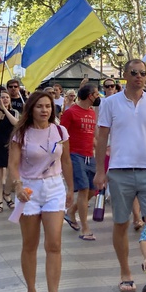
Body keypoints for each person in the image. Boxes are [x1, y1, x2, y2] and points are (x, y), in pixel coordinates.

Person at [94, 59, 146, 292]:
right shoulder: (110, 103)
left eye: (143, 73)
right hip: (119, 170)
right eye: (134, 72)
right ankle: (125, 272)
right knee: (121, 222)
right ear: (125, 75)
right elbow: (102, 137)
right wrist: (100, 171)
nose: (139, 76)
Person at [8, 91, 74, 292]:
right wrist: (18, 186)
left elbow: (66, 160)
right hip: (29, 189)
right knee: (30, 243)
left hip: (54, 188)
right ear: (31, 109)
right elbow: (13, 164)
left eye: (48, 106)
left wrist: (71, 188)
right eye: (39, 106)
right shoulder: (21, 133)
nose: (44, 110)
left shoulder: (60, 131)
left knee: (54, 243)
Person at [61, 84, 99, 240]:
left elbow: (92, 135)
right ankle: (85, 228)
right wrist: (64, 157)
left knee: (93, 190)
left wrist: (103, 149)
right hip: (75, 155)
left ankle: (71, 211)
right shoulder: (70, 112)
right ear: (90, 95)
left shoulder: (92, 112)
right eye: (96, 94)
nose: (98, 97)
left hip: (90, 155)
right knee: (84, 189)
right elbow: (62, 135)